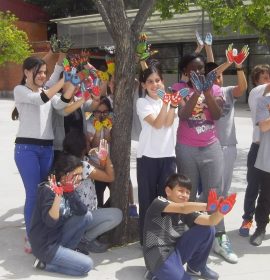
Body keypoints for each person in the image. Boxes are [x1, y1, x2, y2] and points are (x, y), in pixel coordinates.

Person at [14, 56, 75, 253]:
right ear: (26, 72)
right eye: (38, 72)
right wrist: (62, 81)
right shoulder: (20, 91)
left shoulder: (46, 93)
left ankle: (40, 231)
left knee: (44, 194)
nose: (41, 75)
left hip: (46, 149)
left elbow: (61, 103)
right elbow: (41, 99)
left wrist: (73, 84)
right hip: (26, 150)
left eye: (43, 72)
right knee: (33, 194)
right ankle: (32, 235)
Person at [143, 173, 236, 280]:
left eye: (187, 192)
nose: (184, 195)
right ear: (168, 191)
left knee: (207, 228)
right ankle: (155, 273)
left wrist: (221, 211)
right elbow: (182, 207)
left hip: (174, 252)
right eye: (181, 190)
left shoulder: (188, 210)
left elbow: (211, 220)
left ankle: (195, 268)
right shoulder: (159, 202)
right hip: (157, 257)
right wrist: (208, 206)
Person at [204, 58, 247, 263]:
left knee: (221, 192)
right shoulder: (204, 94)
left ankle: (218, 235)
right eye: (215, 75)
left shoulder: (228, 91)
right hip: (207, 148)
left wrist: (238, 66)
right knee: (209, 192)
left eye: (221, 75)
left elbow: (243, 87)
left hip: (228, 147)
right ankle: (210, 233)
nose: (218, 78)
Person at [29, 153, 93, 276]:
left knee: (87, 216)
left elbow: (82, 211)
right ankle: (46, 265)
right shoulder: (48, 190)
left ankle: (66, 254)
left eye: (80, 174)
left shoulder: (67, 187)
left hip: (57, 235)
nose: (79, 178)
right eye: (76, 174)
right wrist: (58, 197)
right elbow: (50, 222)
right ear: (64, 175)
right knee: (87, 265)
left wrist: (70, 192)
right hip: (45, 245)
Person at [172, 53, 224, 202]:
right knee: (188, 192)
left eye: (201, 68)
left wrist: (207, 93)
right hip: (186, 149)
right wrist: (196, 92)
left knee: (213, 192)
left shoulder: (215, 89)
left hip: (211, 146)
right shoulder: (178, 88)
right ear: (185, 71)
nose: (199, 72)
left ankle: (214, 225)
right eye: (194, 69)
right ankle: (189, 224)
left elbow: (216, 115)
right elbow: (183, 114)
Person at [136, 63, 179, 244]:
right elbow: (157, 124)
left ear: (163, 82)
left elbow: (168, 123)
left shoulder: (168, 102)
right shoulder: (142, 102)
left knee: (167, 199)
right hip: (147, 157)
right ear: (143, 85)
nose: (154, 85)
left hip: (168, 156)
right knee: (147, 200)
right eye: (150, 82)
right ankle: (146, 239)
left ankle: (165, 236)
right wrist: (166, 103)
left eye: (157, 80)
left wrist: (172, 105)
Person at [62, 130, 122, 253]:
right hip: (81, 217)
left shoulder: (65, 160)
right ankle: (84, 240)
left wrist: (101, 159)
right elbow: (110, 177)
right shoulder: (82, 166)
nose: (90, 140)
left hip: (67, 219)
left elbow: (99, 168)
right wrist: (107, 157)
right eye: (88, 141)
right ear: (83, 147)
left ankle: (79, 237)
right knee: (117, 215)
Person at [239, 64, 270, 237]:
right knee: (253, 185)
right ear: (256, 81)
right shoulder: (256, 93)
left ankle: (262, 219)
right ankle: (248, 218)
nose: (268, 80)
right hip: (258, 147)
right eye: (264, 77)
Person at [249, 86, 270, 246]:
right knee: (265, 197)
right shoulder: (264, 100)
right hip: (267, 158)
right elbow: (263, 126)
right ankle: (260, 229)